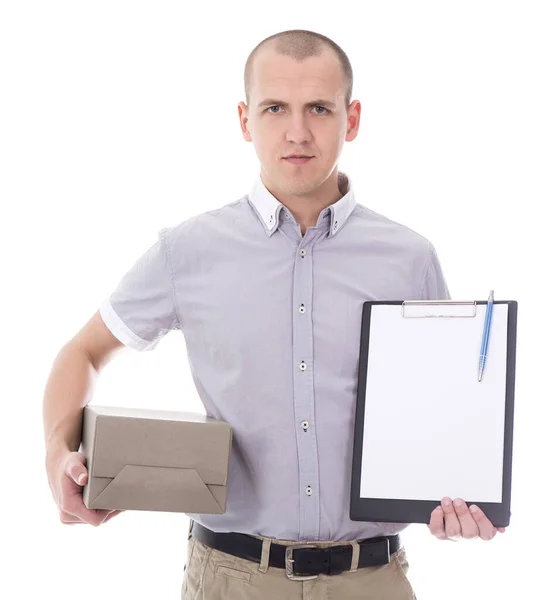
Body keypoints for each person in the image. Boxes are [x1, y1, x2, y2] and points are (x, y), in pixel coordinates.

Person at [43, 28, 506, 600]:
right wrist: (56, 453)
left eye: (318, 108)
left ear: (351, 119)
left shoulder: (409, 259)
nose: (297, 132)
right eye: (274, 108)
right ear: (244, 120)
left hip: (373, 582)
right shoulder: (187, 251)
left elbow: (443, 417)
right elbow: (84, 351)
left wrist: (461, 496)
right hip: (230, 581)